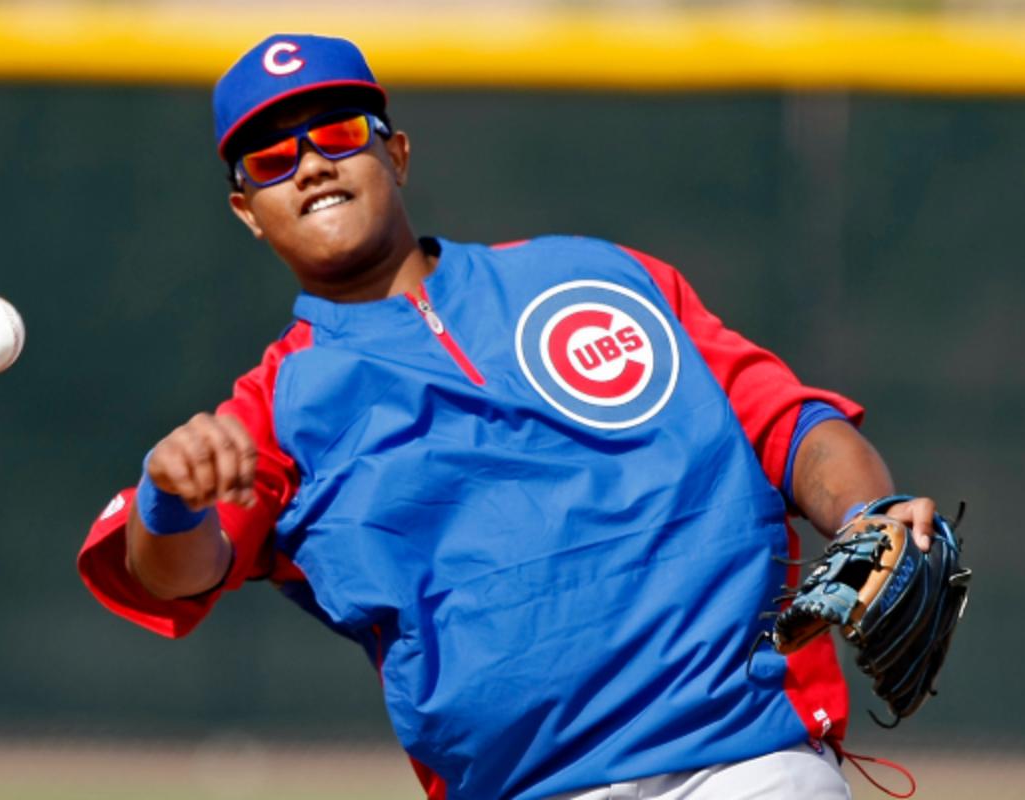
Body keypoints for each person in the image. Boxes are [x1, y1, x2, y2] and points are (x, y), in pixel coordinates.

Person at [78, 33, 943, 800]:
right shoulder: (273, 410)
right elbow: (174, 573)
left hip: (745, 757)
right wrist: (169, 500)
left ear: (398, 154)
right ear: (246, 212)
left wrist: (865, 513)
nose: (308, 164)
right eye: (268, 158)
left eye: (337, 134)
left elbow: (792, 427)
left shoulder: (595, 276)